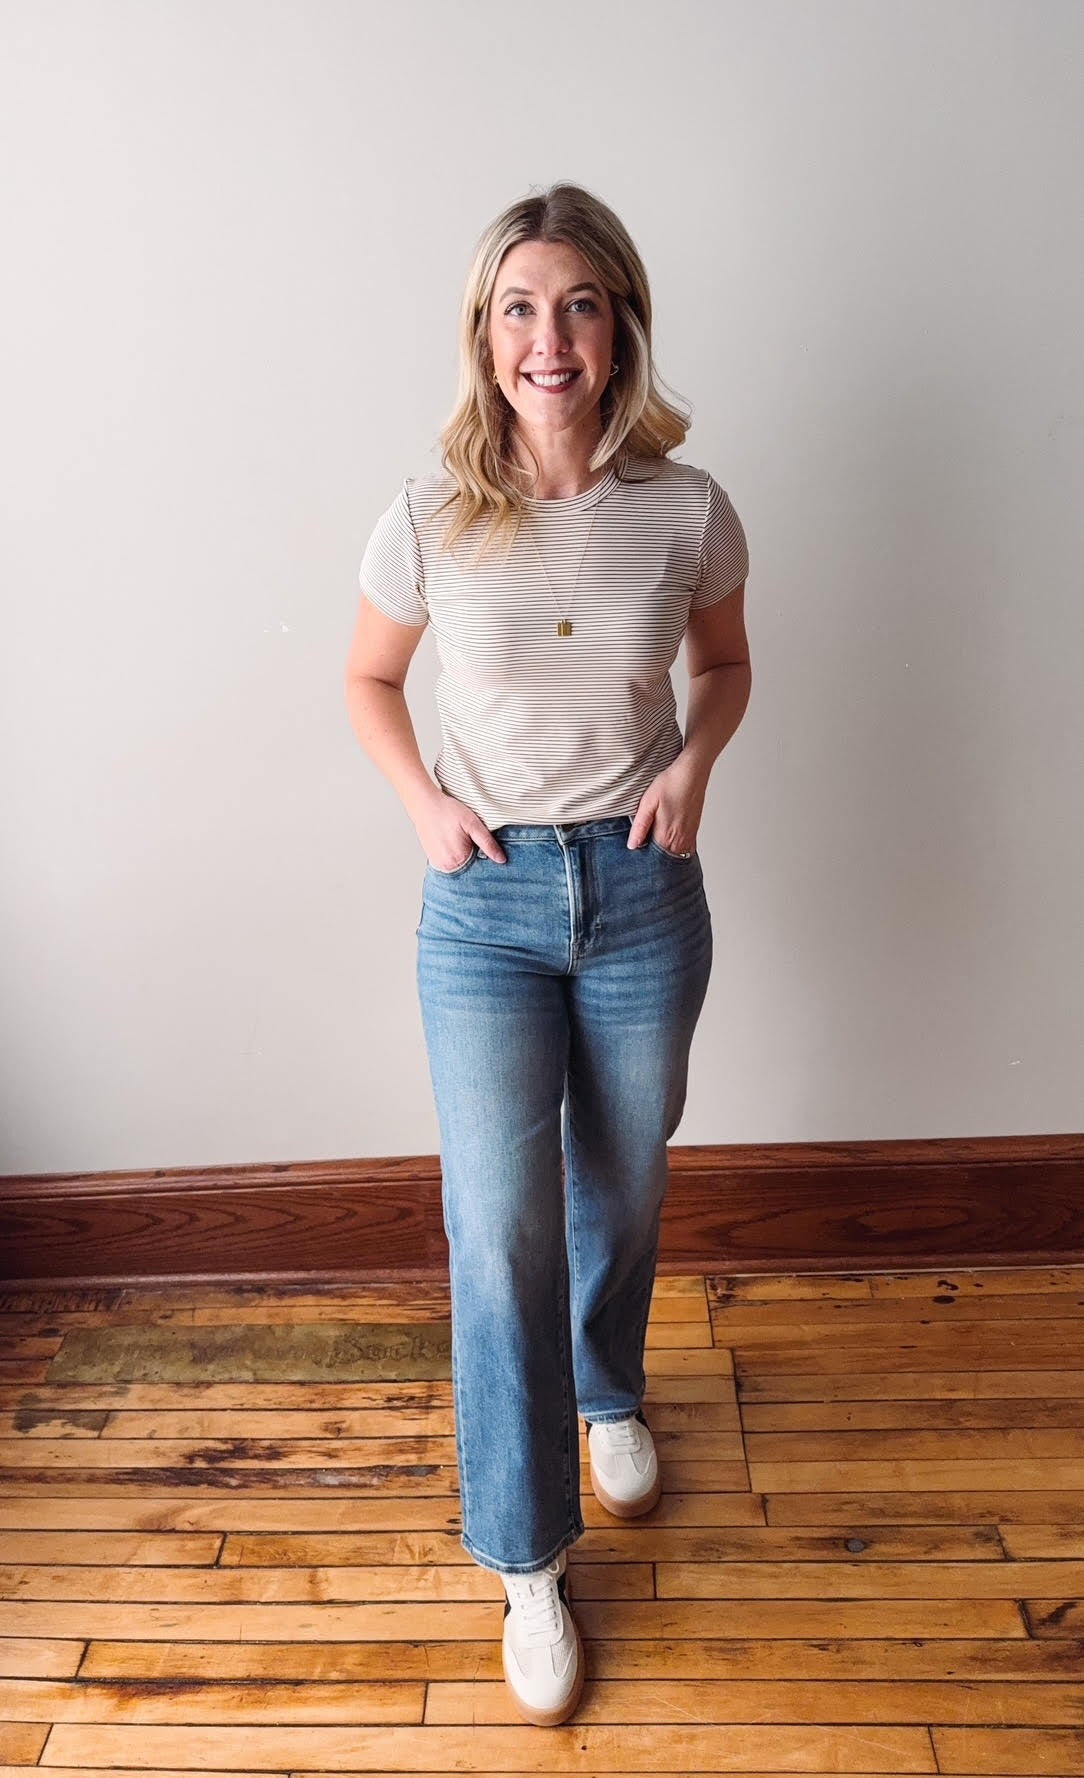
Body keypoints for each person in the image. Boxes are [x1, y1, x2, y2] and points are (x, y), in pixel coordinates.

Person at [344, 181, 751, 1727]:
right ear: (484, 335)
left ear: (620, 324)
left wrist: (694, 763)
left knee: (628, 1173)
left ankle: (607, 1385)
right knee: (497, 1212)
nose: (548, 335)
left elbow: (726, 664)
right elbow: (370, 679)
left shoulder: (688, 508)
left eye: (577, 303)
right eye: (519, 306)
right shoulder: (430, 510)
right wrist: (427, 808)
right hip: (489, 905)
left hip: (645, 889)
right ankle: (525, 1556)